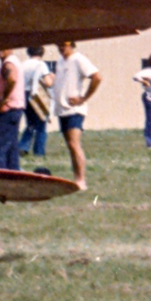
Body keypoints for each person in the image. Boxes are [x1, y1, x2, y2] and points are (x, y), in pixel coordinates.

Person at [51, 41, 102, 190]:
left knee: (74, 144)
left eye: (64, 44)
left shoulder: (78, 59)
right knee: (70, 146)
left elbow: (97, 77)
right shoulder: (60, 61)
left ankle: (81, 179)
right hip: (62, 109)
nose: (61, 47)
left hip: (74, 109)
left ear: (71, 44)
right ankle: (77, 178)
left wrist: (84, 98)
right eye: (59, 44)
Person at [0, 48, 25, 170]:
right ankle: (13, 180)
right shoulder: (11, 61)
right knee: (11, 151)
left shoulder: (9, 62)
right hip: (12, 112)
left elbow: (12, 79)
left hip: (6, 112)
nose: (0, 50)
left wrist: (3, 98)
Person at [18, 46, 55, 157]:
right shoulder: (41, 64)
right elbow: (48, 83)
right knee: (41, 125)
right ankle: (39, 151)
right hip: (36, 96)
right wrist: (52, 78)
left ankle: (23, 146)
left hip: (23, 94)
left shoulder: (23, 64)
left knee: (30, 123)